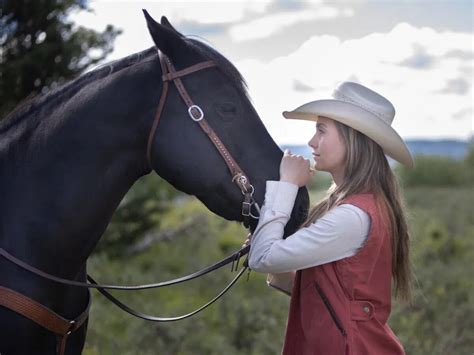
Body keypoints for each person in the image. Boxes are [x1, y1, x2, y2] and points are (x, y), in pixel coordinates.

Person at [247, 81, 413, 355]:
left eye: (321, 130)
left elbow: (262, 258)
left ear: (353, 138)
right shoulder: (360, 205)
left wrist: (287, 183)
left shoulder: (353, 216)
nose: (312, 141)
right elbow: (327, 292)